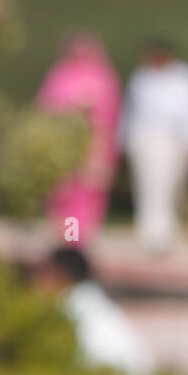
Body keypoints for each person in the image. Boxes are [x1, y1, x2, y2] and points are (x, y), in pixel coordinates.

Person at [118, 39, 188, 252]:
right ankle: (152, 236)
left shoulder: (187, 79)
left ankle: (167, 233)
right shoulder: (141, 78)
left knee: (172, 188)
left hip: (176, 141)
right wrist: (124, 142)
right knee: (149, 187)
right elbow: (131, 113)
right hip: (147, 140)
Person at [35, 32, 122, 243]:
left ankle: (79, 240)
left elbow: (110, 113)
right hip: (63, 145)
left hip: (94, 144)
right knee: (64, 194)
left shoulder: (103, 77)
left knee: (88, 193)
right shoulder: (60, 75)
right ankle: (66, 239)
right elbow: (47, 106)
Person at [33, 247, 156, 375]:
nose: (38, 282)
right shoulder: (92, 302)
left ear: (59, 273)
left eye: (44, 274)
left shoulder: (69, 307)